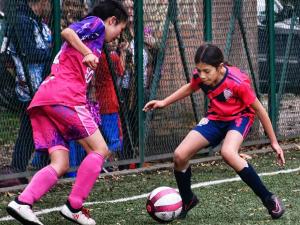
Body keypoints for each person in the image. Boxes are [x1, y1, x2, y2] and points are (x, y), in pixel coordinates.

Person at [6, 1, 128, 225]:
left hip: (46, 99)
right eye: (120, 29)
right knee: (100, 149)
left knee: (60, 162)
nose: (118, 35)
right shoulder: (97, 25)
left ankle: (23, 202)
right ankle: (74, 206)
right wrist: (86, 53)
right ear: (112, 21)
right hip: (65, 98)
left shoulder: (96, 37)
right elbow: (67, 31)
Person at [143, 44, 286, 220]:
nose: (201, 76)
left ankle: (269, 199)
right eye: (199, 70)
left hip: (239, 118)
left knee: (228, 152)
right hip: (215, 118)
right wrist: (164, 102)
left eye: (206, 71)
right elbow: (190, 87)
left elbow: (260, 110)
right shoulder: (201, 76)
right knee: (180, 155)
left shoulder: (237, 82)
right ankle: (187, 200)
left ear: (220, 68)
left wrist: (274, 142)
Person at [0, 0, 52, 188]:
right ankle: (19, 170)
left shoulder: (38, 21)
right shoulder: (22, 21)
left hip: (43, 86)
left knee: (33, 129)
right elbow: (28, 52)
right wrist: (53, 53)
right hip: (30, 87)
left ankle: (25, 169)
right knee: (29, 129)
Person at [95, 39, 125, 162]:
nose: (114, 43)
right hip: (110, 100)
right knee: (115, 140)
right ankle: (101, 162)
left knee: (103, 137)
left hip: (98, 99)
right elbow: (121, 71)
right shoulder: (113, 57)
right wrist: (122, 52)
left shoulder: (95, 57)